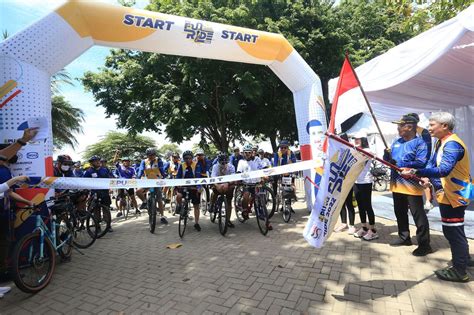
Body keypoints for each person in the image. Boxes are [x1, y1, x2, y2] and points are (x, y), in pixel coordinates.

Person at [402, 112, 473, 282]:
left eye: (432, 124)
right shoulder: (441, 142)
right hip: (448, 194)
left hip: (455, 195)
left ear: (445, 126)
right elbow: (433, 165)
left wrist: (416, 171)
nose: (429, 127)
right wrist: (427, 178)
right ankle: (464, 259)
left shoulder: (452, 145)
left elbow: (443, 170)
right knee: (455, 230)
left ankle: (459, 270)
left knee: (453, 232)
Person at [384, 114, 432, 256]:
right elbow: (388, 161)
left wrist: (403, 165)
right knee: (399, 212)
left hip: (412, 184)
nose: (398, 128)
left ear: (409, 127)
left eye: (400, 125)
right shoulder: (396, 142)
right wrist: (387, 156)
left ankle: (424, 244)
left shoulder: (420, 143)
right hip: (396, 184)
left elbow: (421, 162)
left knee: (418, 214)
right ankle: (404, 237)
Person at [237, 144, 272, 230]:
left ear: (252, 152)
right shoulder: (241, 162)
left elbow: (264, 168)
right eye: (246, 153)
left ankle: (267, 222)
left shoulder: (257, 159)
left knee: (261, 201)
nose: (247, 154)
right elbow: (238, 173)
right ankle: (245, 210)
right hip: (247, 184)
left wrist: (266, 175)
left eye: (249, 152)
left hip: (256, 183)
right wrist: (238, 180)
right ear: (243, 153)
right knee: (246, 196)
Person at [351, 133, 378, 240]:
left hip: (366, 181)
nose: (356, 141)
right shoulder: (355, 150)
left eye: (358, 139)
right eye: (355, 139)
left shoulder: (367, 150)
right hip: (356, 181)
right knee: (360, 206)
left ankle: (373, 230)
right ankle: (364, 228)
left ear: (363, 139)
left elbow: (373, 155)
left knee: (367, 206)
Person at [406, 113, 435, 211]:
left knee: (424, 180)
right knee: (412, 180)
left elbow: (428, 147)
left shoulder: (423, 131)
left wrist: (424, 161)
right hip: (411, 161)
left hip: (423, 160)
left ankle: (428, 201)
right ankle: (412, 202)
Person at [136, 148, 167, 224]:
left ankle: (162, 216)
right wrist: (138, 178)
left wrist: (165, 177)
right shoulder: (144, 161)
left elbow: (161, 169)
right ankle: (145, 201)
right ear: (147, 155)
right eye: (149, 155)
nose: (151, 156)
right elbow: (141, 170)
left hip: (157, 181)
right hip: (147, 181)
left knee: (159, 199)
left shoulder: (158, 160)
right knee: (138, 192)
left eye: (153, 154)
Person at [83, 155, 114, 232]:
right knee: (96, 211)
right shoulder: (88, 172)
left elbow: (112, 178)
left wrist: (111, 187)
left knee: (106, 209)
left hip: (105, 193)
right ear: (91, 162)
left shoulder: (105, 170)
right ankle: (97, 227)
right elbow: (83, 182)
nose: (98, 162)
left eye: (98, 160)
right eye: (95, 160)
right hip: (94, 194)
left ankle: (108, 226)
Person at [176, 150, 203, 231]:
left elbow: (198, 177)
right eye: (186, 158)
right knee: (178, 196)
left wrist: (198, 187)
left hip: (194, 188)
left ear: (192, 158)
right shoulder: (181, 165)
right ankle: (180, 207)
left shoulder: (196, 165)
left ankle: (196, 223)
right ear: (183, 159)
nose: (188, 160)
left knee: (196, 205)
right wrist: (178, 184)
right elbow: (178, 176)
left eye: (189, 158)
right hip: (184, 186)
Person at [210, 153, 236, 228]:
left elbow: (233, 178)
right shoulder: (215, 167)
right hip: (218, 184)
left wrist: (227, 183)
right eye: (222, 162)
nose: (224, 164)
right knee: (214, 192)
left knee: (229, 201)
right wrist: (217, 185)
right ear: (219, 161)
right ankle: (212, 204)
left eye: (225, 162)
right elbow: (213, 178)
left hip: (228, 184)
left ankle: (228, 220)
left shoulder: (231, 167)